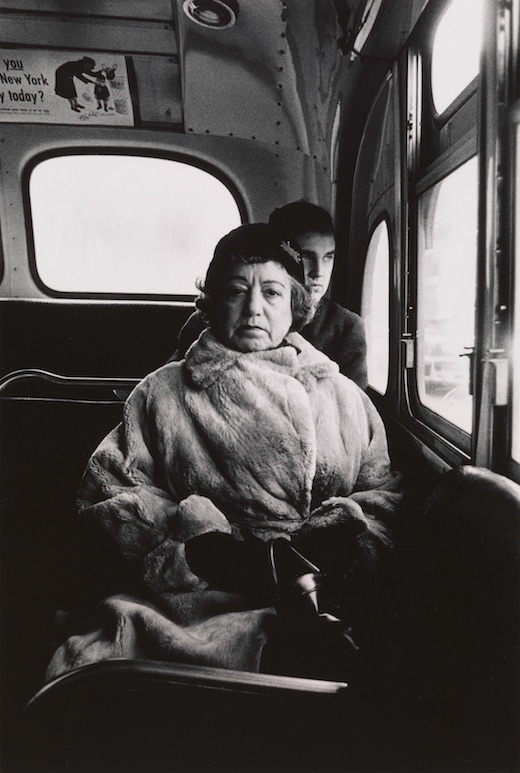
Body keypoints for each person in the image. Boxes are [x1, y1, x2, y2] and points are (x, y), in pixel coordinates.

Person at [45, 224, 400, 683]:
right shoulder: (163, 392)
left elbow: (385, 494)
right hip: (195, 599)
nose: (254, 308)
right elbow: (109, 493)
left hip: (321, 591)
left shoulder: (342, 395)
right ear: (212, 304)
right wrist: (204, 552)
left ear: (295, 306)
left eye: (272, 293)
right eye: (237, 291)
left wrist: (338, 541)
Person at [170, 201, 368, 389]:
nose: (318, 272)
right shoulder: (207, 322)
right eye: (306, 256)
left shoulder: (346, 328)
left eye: (328, 257)